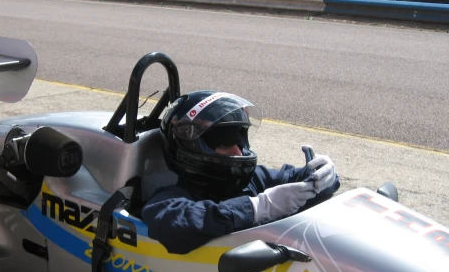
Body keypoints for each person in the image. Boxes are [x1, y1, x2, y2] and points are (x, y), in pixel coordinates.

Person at [141, 91, 340, 254]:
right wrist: (258, 208)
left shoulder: (254, 179)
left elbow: (296, 179)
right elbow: (179, 224)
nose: (238, 151)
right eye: (225, 142)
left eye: (240, 140)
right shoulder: (167, 203)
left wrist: (322, 176)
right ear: (191, 147)